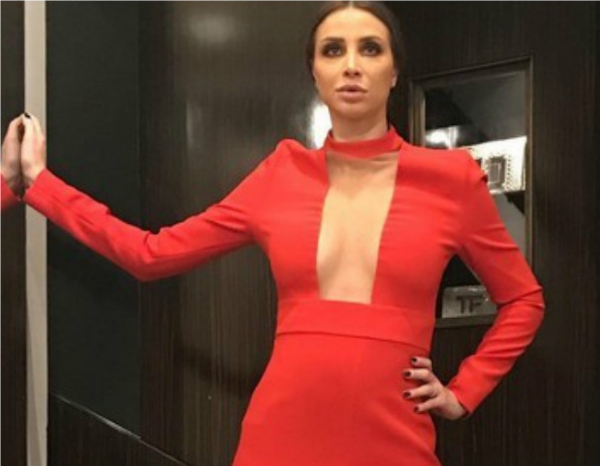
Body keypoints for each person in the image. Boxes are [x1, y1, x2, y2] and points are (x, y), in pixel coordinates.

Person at [10, 2, 545, 465]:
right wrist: (38, 183)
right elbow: (149, 255)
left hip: (395, 433)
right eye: (332, 51)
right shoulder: (281, 175)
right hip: (282, 433)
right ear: (314, 73)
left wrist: (462, 392)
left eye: (370, 49)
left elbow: (524, 300)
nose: (352, 65)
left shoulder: (451, 180)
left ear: (394, 71)